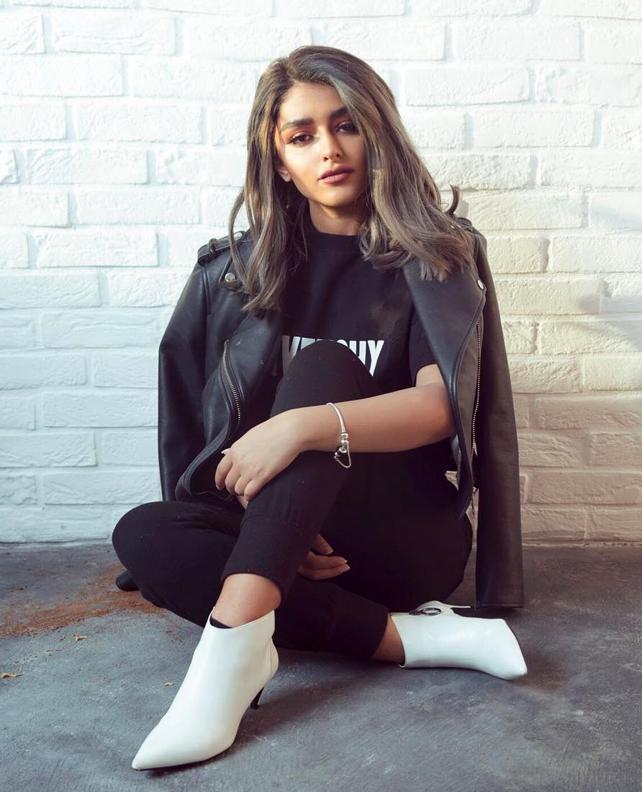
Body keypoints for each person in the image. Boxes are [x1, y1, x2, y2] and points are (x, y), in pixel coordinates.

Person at [111, 45, 527, 772]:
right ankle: (410, 638)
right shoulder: (232, 272)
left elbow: (440, 409)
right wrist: (280, 523)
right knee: (142, 534)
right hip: (287, 539)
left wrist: (301, 426)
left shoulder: (434, 257)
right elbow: (189, 425)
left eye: (346, 125)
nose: (328, 149)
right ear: (279, 162)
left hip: (398, 534)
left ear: (376, 132)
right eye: (301, 136)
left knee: (323, 367)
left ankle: (228, 654)